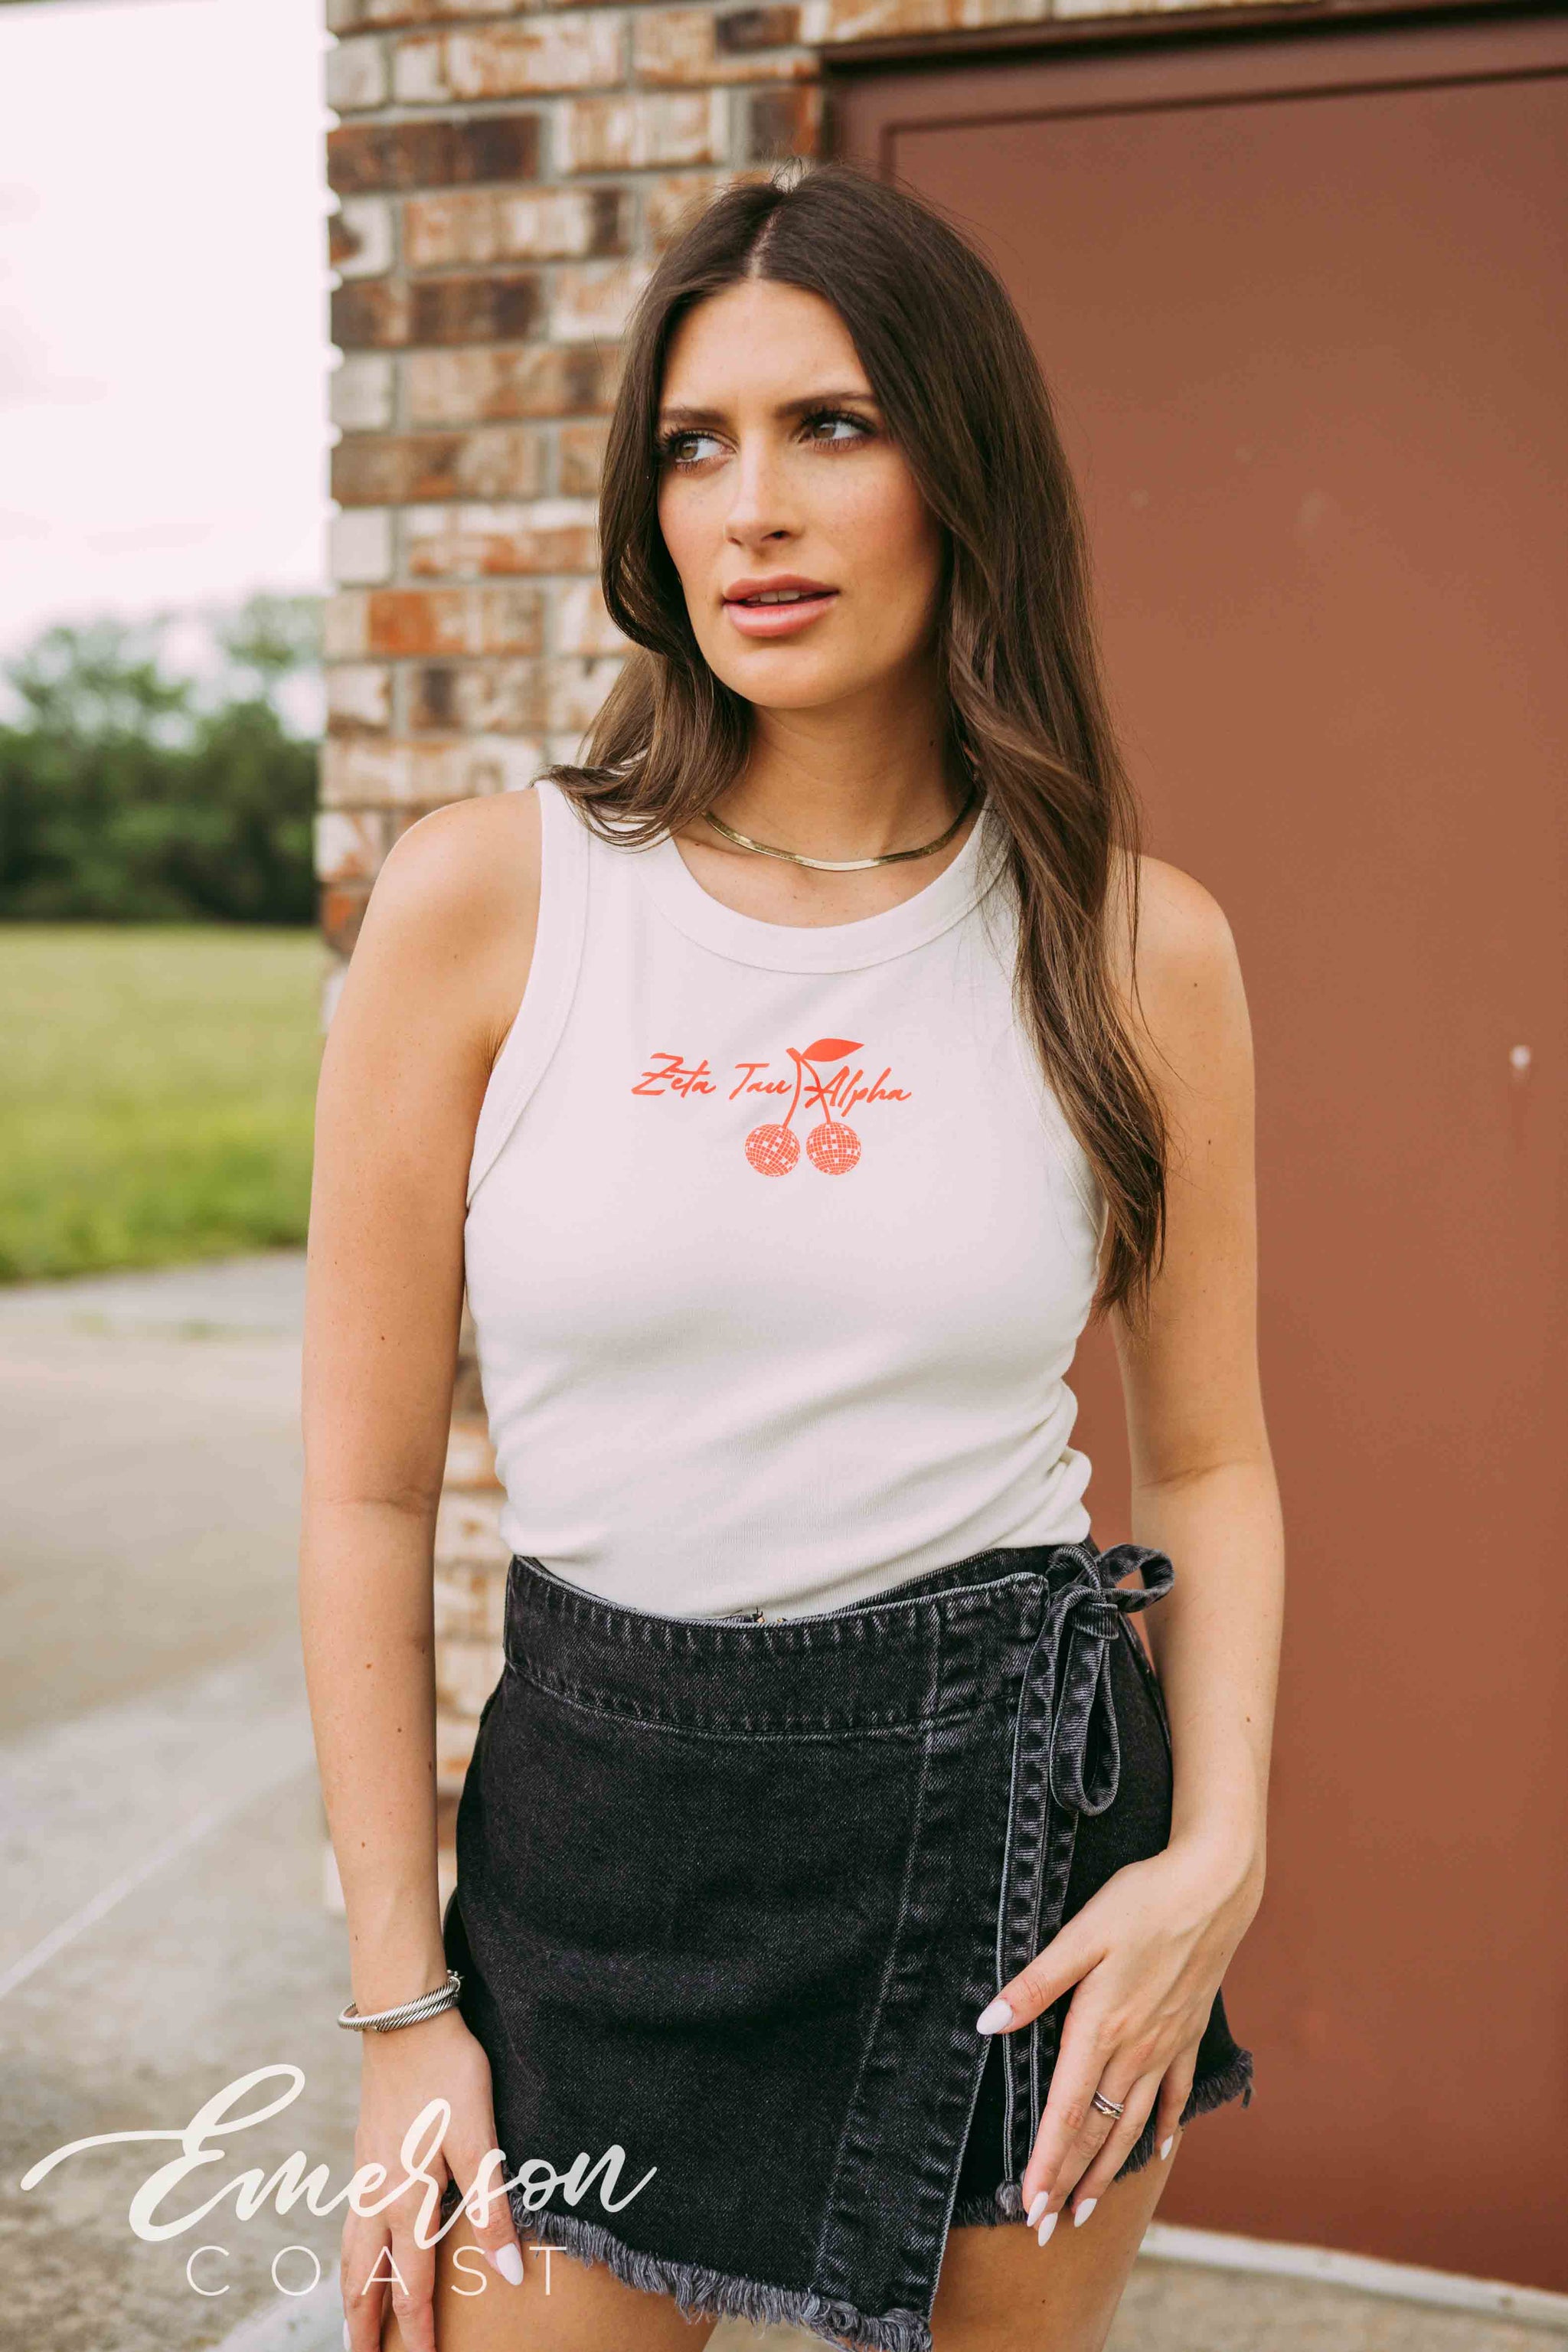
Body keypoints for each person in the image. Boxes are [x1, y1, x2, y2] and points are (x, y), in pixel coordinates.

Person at [300, 157, 1284, 2352]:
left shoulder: (1135, 948)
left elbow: (1212, 1459)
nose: (751, 508)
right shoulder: (490, 905)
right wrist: (400, 2008)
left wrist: (1215, 1857)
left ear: (964, 473)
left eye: (831, 426)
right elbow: (365, 1494)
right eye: (694, 443)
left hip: (1021, 1845)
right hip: (601, 1852)